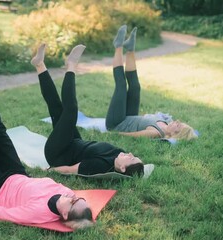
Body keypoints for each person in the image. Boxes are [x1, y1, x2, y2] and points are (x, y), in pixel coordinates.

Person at [0, 42, 93, 229]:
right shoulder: (66, 193)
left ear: (64, 214)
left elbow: (5, 214)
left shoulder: (38, 213)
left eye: (72, 202)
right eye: (77, 198)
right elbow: (70, 198)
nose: (72, 196)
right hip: (16, 174)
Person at [31, 43, 144, 176]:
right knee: (57, 107)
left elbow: (70, 169)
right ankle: (39, 65)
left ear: (123, 168)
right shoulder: (119, 154)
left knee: (71, 110)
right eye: (133, 155)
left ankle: (71, 65)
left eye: (131, 158)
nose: (130, 154)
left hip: (58, 153)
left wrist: (48, 171)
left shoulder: (100, 166)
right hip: (72, 142)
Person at [106, 25, 198, 140]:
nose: (178, 121)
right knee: (135, 87)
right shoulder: (165, 123)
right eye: (180, 122)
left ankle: (118, 46)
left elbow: (130, 136)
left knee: (121, 86)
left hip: (116, 123)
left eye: (178, 125)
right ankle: (130, 50)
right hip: (129, 117)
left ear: (174, 134)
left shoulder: (156, 133)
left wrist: (111, 134)